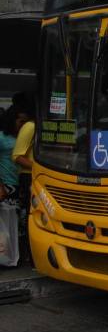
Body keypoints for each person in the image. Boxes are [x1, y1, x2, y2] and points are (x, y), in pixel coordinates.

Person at [10, 94, 35, 264]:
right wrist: (38, 167)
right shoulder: (30, 126)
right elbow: (17, 156)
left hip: (39, 176)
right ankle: (30, 256)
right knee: (30, 217)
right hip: (28, 177)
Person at [0, 109, 20, 204]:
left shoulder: (23, 137)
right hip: (7, 184)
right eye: (21, 121)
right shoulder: (1, 138)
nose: (23, 125)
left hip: (22, 182)